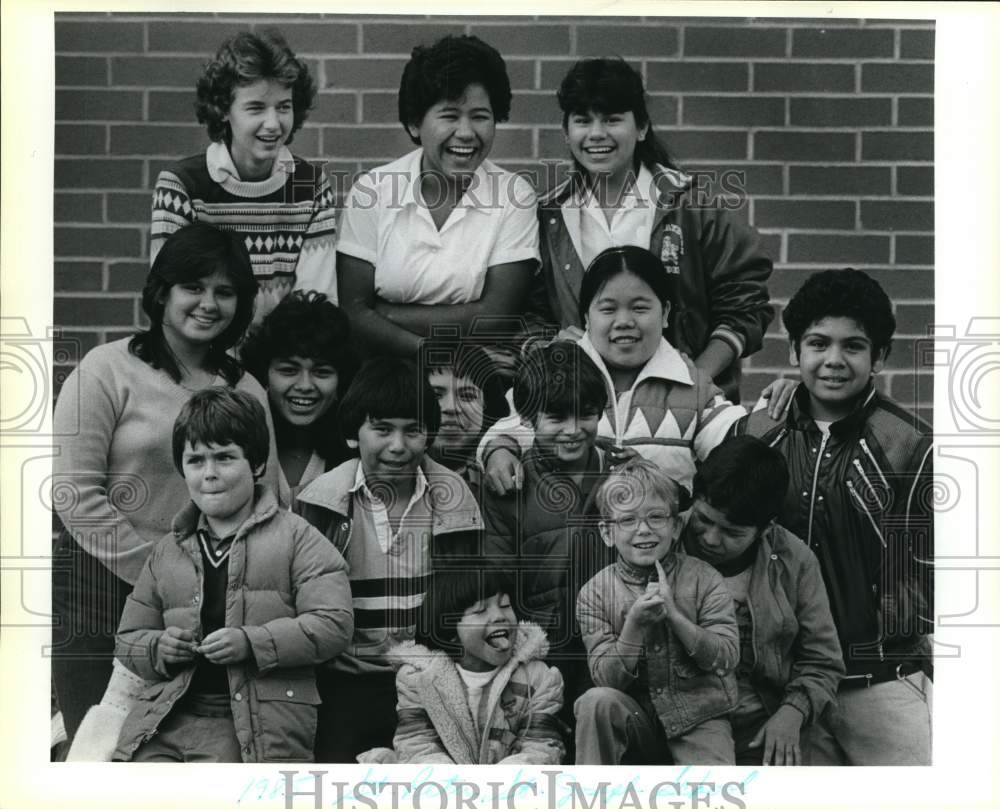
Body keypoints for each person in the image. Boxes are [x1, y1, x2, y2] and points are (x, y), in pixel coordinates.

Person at [51, 223, 281, 744]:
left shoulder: (243, 387)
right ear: (162, 293)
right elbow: (74, 492)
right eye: (193, 287)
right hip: (99, 588)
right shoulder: (106, 369)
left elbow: (272, 494)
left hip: (206, 603)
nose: (208, 303)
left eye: (225, 292)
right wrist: (159, 575)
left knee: (174, 751)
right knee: (99, 746)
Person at [732, 268, 934, 765]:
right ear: (795, 349)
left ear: (880, 356)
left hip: (882, 683)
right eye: (819, 343)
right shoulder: (755, 435)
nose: (834, 360)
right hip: (780, 695)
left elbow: (933, 572)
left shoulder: (911, 446)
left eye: (854, 346)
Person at [110, 388, 353, 762]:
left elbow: (334, 624)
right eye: (196, 460)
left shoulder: (299, 538)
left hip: (250, 725)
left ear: (256, 465)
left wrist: (251, 642)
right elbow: (128, 639)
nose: (209, 473)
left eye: (224, 458)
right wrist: (159, 647)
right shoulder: (167, 550)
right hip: (166, 718)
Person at [528, 57, 774, 403]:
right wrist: (552, 346)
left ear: (641, 128)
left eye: (612, 119)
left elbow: (746, 304)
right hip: (583, 413)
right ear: (566, 133)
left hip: (688, 413)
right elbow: (529, 314)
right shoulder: (548, 216)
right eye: (583, 121)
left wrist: (693, 380)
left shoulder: (694, 206)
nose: (597, 134)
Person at [294, 357, 483, 762]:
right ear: (353, 433)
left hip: (430, 682)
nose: (398, 445)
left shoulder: (454, 499)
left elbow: (467, 599)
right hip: (344, 684)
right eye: (381, 429)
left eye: (412, 430)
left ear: (428, 434)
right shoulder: (319, 503)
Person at [480, 245, 747, 497]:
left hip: (658, 539)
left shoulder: (692, 386)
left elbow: (740, 442)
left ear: (665, 312)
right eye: (608, 309)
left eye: (640, 308)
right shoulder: (553, 373)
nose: (624, 322)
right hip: (564, 539)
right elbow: (507, 427)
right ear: (586, 316)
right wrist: (498, 450)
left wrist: (782, 403)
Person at [336, 34, 539, 358]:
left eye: (480, 116)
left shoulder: (514, 196)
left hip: (476, 382)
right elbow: (353, 313)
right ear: (416, 123)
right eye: (449, 115)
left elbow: (497, 320)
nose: (466, 132)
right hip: (383, 378)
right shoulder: (373, 190)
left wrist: (385, 314)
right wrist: (430, 351)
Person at [150, 29, 337, 317]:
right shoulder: (181, 186)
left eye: (284, 107)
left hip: (281, 354)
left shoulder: (310, 185)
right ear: (224, 109)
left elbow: (316, 308)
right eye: (256, 108)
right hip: (202, 352)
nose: (273, 123)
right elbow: (169, 302)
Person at [682, 436, 844, 765]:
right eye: (704, 519)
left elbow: (823, 660)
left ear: (765, 529)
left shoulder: (795, 560)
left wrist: (793, 712)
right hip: (680, 719)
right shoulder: (659, 540)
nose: (711, 539)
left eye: (732, 532)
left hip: (763, 720)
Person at [574, 458, 738, 765]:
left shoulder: (705, 578)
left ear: (675, 526)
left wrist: (675, 616)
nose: (644, 529)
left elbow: (726, 657)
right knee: (595, 702)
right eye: (627, 520)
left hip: (700, 718)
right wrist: (634, 624)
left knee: (713, 792)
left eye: (656, 517)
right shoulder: (594, 593)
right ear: (607, 533)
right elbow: (606, 679)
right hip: (636, 719)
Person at [482, 341, 612, 718]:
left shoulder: (624, 473)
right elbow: (497, 576)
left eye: (585, 415)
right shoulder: (509, 484)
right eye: (556, 418)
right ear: (525, 418)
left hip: (612, 644)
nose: (573, 431)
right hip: (539, 650)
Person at [359, 567, 565, 765]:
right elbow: (417, 746)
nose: (500, 616)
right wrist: (457, 784)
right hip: (442, 791)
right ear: (451, 632)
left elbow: (541, 748)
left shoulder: (539, 677)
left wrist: (497, 784)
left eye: (504, 605)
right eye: (481, 610)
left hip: (512, 791)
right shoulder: (416, 679)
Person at [241, 290, 356, 501]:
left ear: (342, 380)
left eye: (321, 372)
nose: (305, 385)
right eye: (288, 370)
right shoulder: (240, 447)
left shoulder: (357, 456)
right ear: (264, 375)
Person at [420, 338, 509, 502]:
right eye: (436, 395)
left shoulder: (510, 469)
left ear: (485, 406)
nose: (451, 407)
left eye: (467, 396)